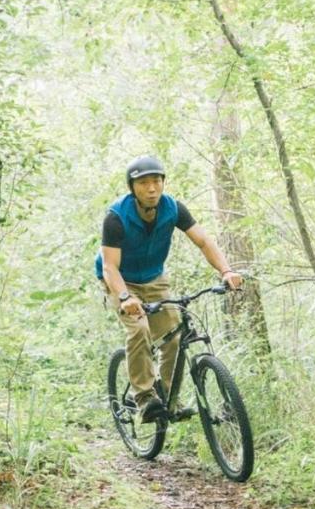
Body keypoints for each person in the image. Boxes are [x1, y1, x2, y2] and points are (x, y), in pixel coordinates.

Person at [95, 155, 243, 423]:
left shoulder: (173, 208)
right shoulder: (116, 217)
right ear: (132, 188)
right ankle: (144, 398)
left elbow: (204, 241)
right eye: (143, 183)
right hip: (121, 280)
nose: (151, 188)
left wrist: (227, 271)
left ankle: (166, 398)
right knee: (139, 328)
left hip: (154, 278)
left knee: (174, 337)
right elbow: (109, 267)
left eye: (156, 181)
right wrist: (125, 297)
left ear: (163, 183)